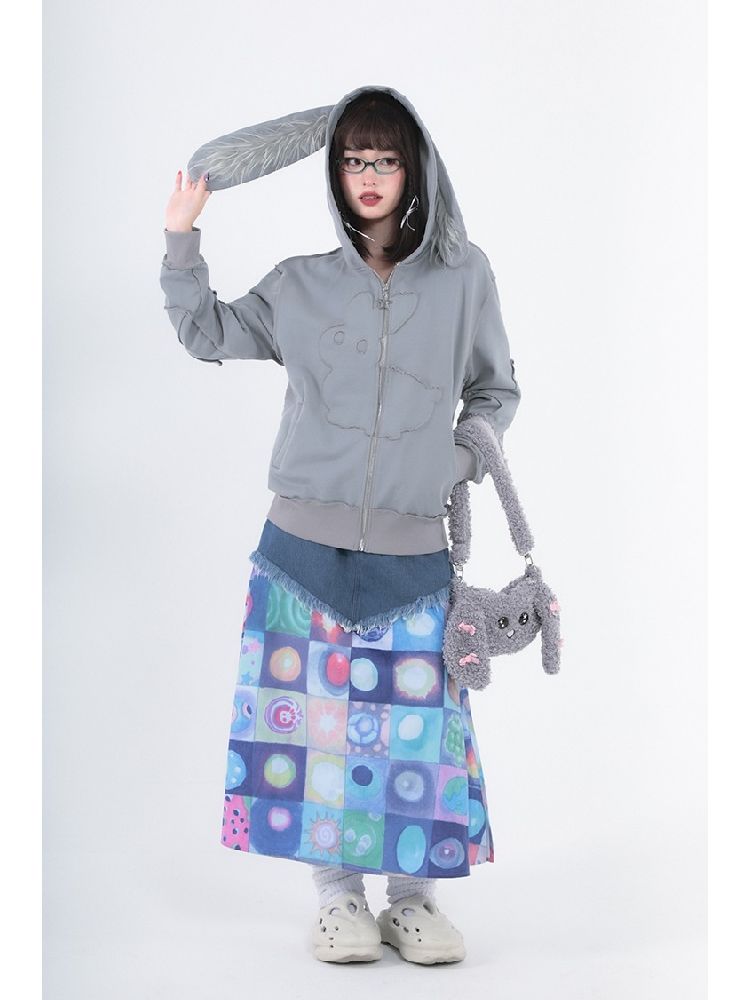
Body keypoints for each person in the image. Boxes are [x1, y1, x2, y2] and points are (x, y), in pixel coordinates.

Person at [160, 85, 521, 965]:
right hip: (300, 552)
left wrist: (457, 460)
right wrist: (181, 239)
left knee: (416, 733)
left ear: (415, 169)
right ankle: (337, 901)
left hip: (412, 550)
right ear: (335, 171)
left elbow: (495, 390)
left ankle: (413, 904)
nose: (369, 175)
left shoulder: (464, 276)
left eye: (385, 159)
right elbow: (205, 332)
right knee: (316, 732)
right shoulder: (301, 284)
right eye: (355, 159)